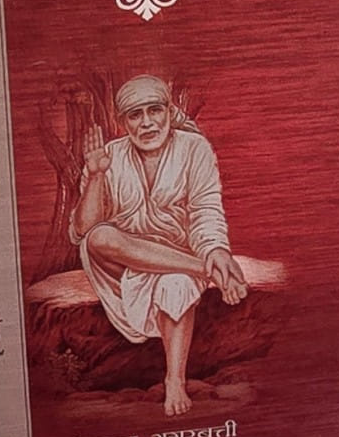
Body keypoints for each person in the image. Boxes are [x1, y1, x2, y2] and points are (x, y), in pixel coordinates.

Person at [71, 75, 247, 417]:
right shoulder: (109, 155)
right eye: (135, 115)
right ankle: (203, 270)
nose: (147, 122)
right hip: (123, 261)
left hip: (176, 257)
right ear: (123, 122)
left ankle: (175, 381)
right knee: (100, 237)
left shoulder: (194, 148)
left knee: (177, 283)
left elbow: (206, 209)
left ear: (168, 111)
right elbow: (83, 230)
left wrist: (215, 249)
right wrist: (95, 175)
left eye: (155, 110)